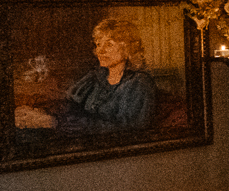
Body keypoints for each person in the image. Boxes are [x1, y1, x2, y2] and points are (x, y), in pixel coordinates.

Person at [15, 17, 158, 134]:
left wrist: (54, 122)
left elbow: (128, 129)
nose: (99, 51)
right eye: (98, 44)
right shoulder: (95, 77)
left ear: (128, 48)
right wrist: (38, 113)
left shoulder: (140, 83)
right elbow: (70, 105)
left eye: (109, 45)